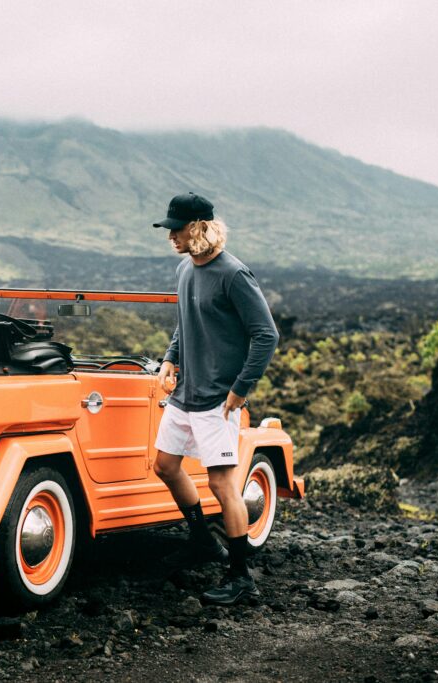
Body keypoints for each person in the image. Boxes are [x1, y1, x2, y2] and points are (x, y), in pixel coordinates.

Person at [151, 192, 279, 606]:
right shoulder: (185, 269)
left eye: (176, 228)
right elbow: (185, 322)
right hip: (186, 394)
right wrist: (172, 357)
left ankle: (241, 577)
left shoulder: (234, 275)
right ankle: (203, 541)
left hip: (217, 400)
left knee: (222, 483)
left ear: (197, 228)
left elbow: (266, 335)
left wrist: (240, 390)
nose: (170, 235)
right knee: (165, 466)